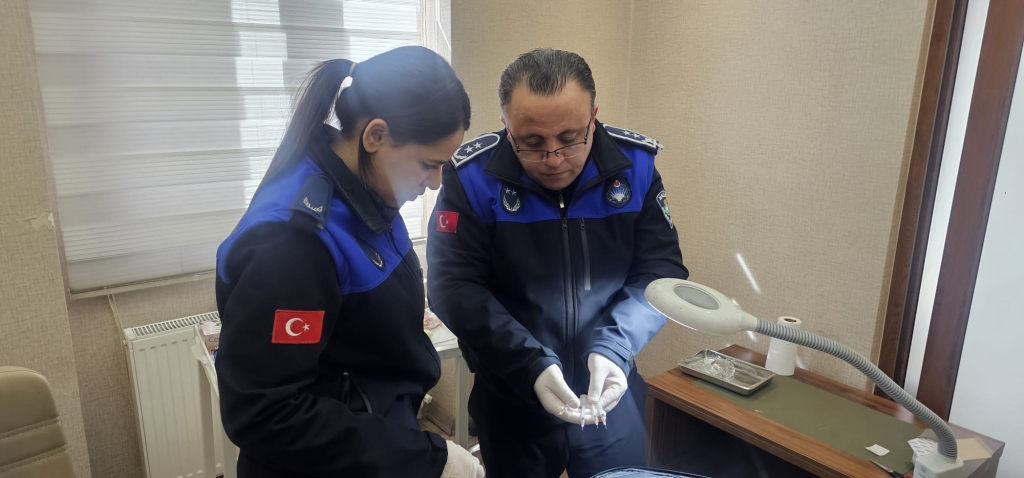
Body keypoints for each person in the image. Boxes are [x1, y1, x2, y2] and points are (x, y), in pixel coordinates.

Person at [214, 45, 484, 478]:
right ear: (375, 135)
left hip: (374, 438)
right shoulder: (294, 244)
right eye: (427, 164)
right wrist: (427, 458)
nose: (435, 183)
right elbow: (265, 413)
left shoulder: (367, 190)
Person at [426, 48, 688, 478]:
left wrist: (616, 346)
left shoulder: (635, 167)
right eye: (531, 142)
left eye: (570, 137)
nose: (553, 159)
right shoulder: (472, 176)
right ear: (506, 125)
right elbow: (452, 285)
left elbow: (661, 273)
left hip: (608, 386)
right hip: (512, 387)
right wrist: (529, 363)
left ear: (593, 117)